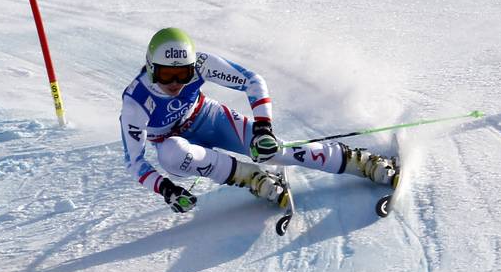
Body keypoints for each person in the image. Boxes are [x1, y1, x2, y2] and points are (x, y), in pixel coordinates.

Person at [120, 27, 397, 213]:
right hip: (176, 146)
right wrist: (166, 189)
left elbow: (253, 81)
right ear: (151, 68)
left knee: (271, 150)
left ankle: (360, 162)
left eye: (184, 74)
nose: (176, 82)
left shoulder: (203, 64)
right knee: (172, 153)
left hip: (209, 118)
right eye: (167, 75)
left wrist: (263, 128)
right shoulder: (136, 101)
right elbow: (135, 162)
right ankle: (251, 178)